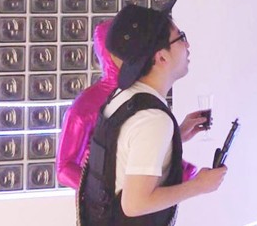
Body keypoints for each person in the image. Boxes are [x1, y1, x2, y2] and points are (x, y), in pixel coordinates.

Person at [77, 0, 227, 225]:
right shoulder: (153, 120)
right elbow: (135, 204)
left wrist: (176, 137)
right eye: (181, 37)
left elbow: (122, 153)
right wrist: (199, 185)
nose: (187, 45)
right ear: (161, 57)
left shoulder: (122, 96)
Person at [57, 20, 200, 189]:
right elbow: (64, 169)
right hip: (125, 201)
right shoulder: (87, 104)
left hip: (150, 193)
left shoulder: (143, 88)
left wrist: (177, 136)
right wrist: (107, 192)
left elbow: (134, 146)